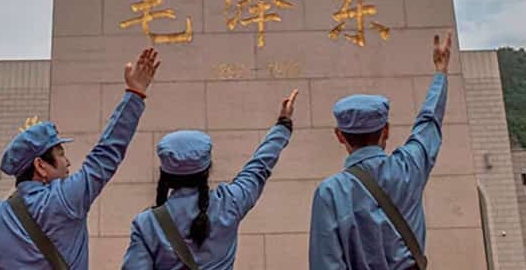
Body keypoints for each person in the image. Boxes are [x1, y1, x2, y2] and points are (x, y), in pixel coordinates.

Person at [0, 48, 162, 269]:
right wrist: (135, 94)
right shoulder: (63, 199)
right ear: (41, 166)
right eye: (61, 154)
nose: (68, 163)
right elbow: (106, 154)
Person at [308, 33, 453, 270]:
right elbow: (429, 122)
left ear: (339, 136)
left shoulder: (329, 193)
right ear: (386, 130)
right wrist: (440, 72)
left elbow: (325, 264)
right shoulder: (409, 167)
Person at [122, 89, 300, 269]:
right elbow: (259, 167)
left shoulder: (146, 223)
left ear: (165, 175)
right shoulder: (230, 203)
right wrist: (283, 124)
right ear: (207, 169)